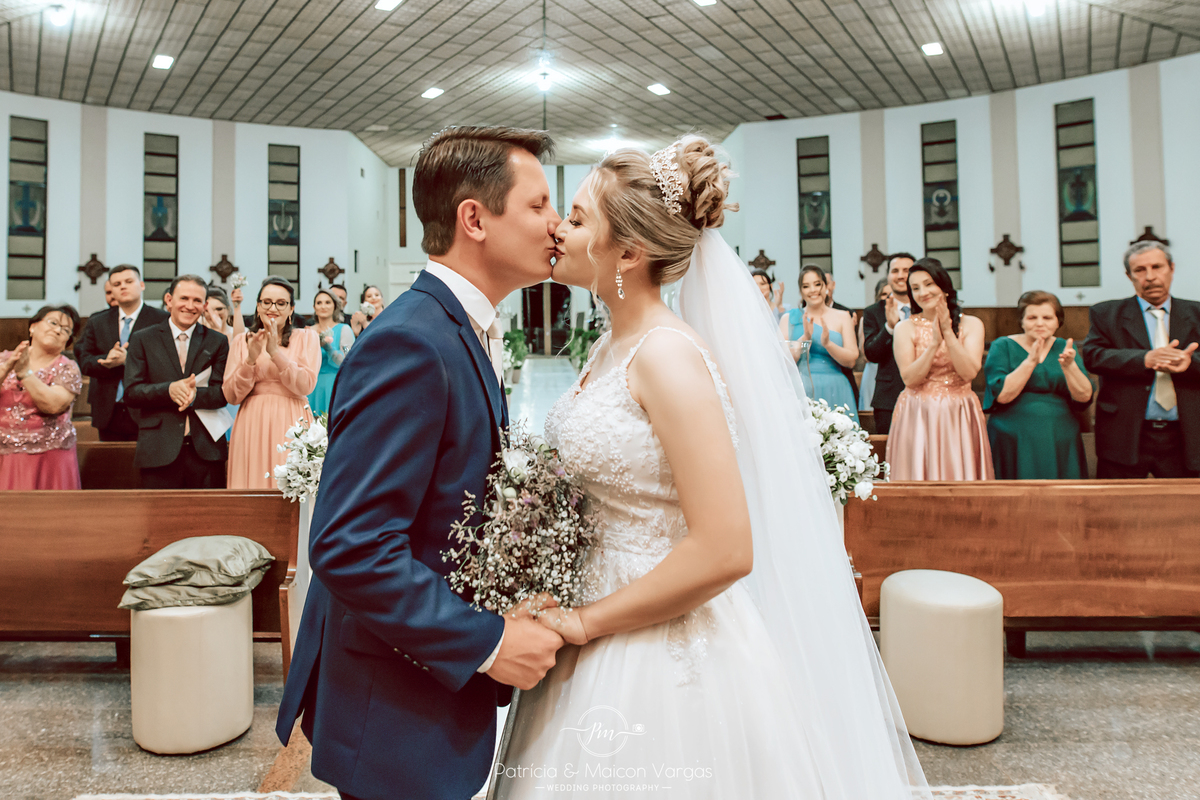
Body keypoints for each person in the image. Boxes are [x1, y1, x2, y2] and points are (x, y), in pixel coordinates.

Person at [495, 137, 927, 800]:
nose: (558, 228)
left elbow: (726, 548)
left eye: (578, 219)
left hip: (659, 640)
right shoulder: (612, 344)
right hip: (594, 609)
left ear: (629, 253)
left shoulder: (667, 355)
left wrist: (587, 622)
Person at [276, 126, 567, 800]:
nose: (556, 224)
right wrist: (489, 642)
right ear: (475, 220)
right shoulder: (411, 341)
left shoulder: (457, 326)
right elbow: (350, 545)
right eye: (538, 205)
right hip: (393, 705)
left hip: (421, 687)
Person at [1081, 241, 1200, 478]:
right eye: (1140, 270)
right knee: (1118, 501)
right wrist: (1145, 359)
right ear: (1129, 276)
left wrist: (1191, 363)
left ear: (1171, 268)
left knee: (1186, 502)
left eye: (1157, 267)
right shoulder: (1106, 314)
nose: (1150, 276)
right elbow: (1093, 356)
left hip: (1187, 434)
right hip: (1125, 433)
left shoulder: (1196, 313)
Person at [886, 257, 992, 480]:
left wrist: (948, 333)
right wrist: (934, 343)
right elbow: (910, 379)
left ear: (943, 286)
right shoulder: (905, 328)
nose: (923, 292)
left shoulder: (972, 324)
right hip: (918, 411)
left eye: (928, 284)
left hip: (959, 410)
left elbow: (969, 373)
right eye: (915, 288)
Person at [122, 276, 231, 489]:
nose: (190, 306)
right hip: (158, 447)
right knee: (159, 510)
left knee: (208, 510)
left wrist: (195, 396)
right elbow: (132, 392)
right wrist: (169, 390)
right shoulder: (143, 338)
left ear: (205, 305)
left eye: (197, 300)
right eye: (184, 298)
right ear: (169, 300)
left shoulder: (217, 341)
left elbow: (222, 393)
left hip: (206, 448)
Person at [222, 277, 320, 490]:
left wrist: (275, 353)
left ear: (291, 309)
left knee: (289, 486)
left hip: (291, 419)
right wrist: (250, 359)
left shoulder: (307, 338)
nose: (272, 308)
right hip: (251, 420)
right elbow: (231, 395)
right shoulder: (241, 341)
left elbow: (306, 385)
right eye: (266, 302)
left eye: (281, 303)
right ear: (258, 306)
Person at [984, 291, 1092, 479]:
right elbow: (1002, 395)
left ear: (1058, 322)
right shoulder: (1003, 346)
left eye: (1047, 318)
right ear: (1022, 321)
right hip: (1013, 437)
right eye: (1032, 318)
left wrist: (1069, 367)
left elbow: (1084, 396)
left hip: (1060, 435)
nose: (1040, 323)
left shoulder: (1064, 347)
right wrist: (1030, 362)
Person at [75, 265, 169, 441]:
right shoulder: (98, 321)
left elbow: (168, 364)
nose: (123, 286)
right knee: (111, 458)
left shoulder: (161, 319)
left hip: (148, 407)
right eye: (117, 284)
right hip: (108, 408)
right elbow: (85, 361)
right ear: (111, 289)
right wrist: (107, 360)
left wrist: (129, 360)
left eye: (129, 281)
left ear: (142, 285)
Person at [0, 305, 83, 490]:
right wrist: (6, 368)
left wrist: (25, 374)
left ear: (67, 341)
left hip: (49, 457)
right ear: (33, 327)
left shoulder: (68, 368)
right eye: (53, 323)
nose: (58, 330)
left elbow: (53, 405)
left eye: (66, 330)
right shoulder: (3, 359)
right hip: (4, 455)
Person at [779, 264, 859, 420]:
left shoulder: (843, 316)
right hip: (800, 389)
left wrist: (828, 344)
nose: (813, 290)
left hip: (836, 387)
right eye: (806, 286)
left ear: (826, 286)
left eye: (817, 284)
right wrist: (805, 338)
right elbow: (783, 362)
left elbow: (851, 361)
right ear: (801, 291)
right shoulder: (788, 318)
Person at [862, 253, 915, 435]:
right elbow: (871, 354)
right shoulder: (873, 312)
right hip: (888, 397)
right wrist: (889, 327)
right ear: (888, 276)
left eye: (906, 270)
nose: (901, 275)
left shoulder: (926, 309)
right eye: (895, 271)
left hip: (925, 394)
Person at [307, 288, 354, 416]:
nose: (323, 306)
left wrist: (329, 348)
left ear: (335, 306)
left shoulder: (344, 329)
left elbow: (347, 360)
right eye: (319, 303)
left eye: (328, 302)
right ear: (314, 307)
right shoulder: (308, 332)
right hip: (312, 386)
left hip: (334, 385)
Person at [858, 278, 890, 413]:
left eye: (890, 294)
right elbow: (865, 352)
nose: (888, 298)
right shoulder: (869, 316)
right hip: (873, 369)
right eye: (884, 294)